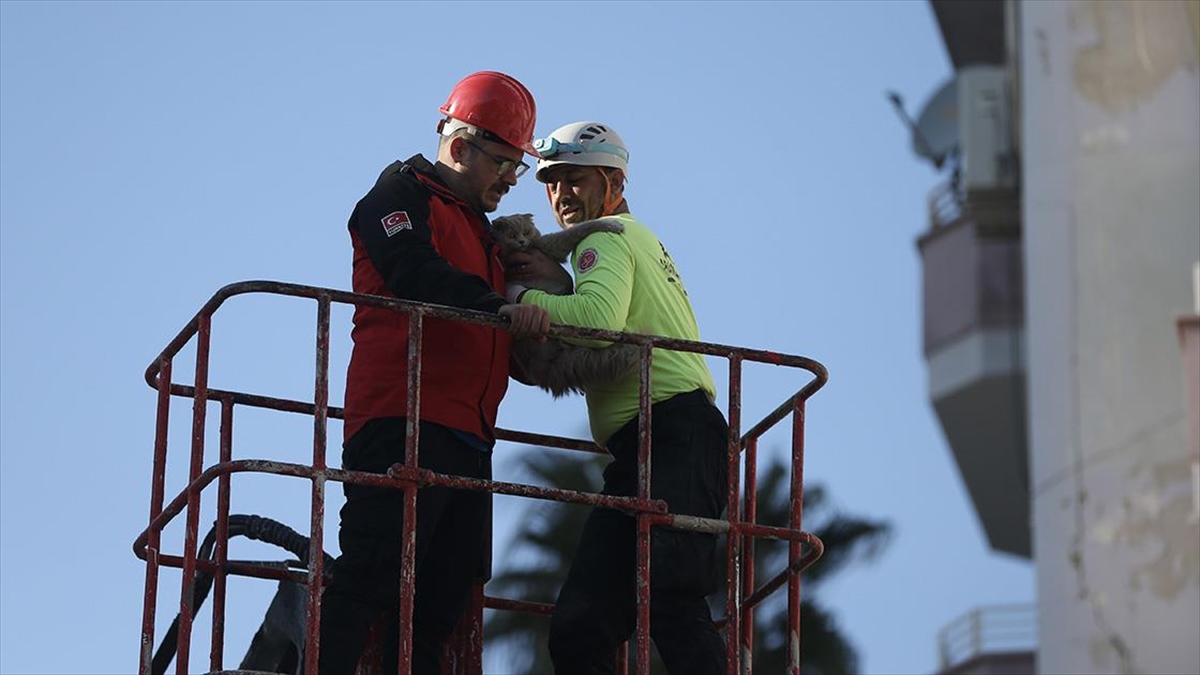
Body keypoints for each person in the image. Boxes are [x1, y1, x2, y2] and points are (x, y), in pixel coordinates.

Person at [319, 71, 550, 674]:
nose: (510, 178)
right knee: (369, 573)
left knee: (442, 602)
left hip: (469, 436)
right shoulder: (397, 196)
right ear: (459, 146)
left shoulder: (479, 230)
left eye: (517, 167)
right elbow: (412, 269)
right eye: (504, 161)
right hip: (401, 416)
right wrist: (501, 307)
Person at [505, 121, 729, 674]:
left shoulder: (604, 239)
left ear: (612, 182)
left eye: (575, 180)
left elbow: (597, 321)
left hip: (673, 433)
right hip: (654, 444)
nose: (561, 196)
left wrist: (517, 300)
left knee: (670, 597)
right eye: (552, 184)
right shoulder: (637, 239)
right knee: (582, 626)